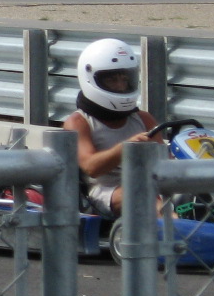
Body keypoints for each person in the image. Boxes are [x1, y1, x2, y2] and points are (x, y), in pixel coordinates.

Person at [62, 37, 160, 217]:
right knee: (141, 193)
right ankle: (179, 230)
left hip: (150, 185)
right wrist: (127, 148)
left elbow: (165, 163)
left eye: (125, 79)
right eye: (113, 80)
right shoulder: (79, 122)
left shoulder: (143, 119)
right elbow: (91, 167)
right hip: (104, 192)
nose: (121, 86)